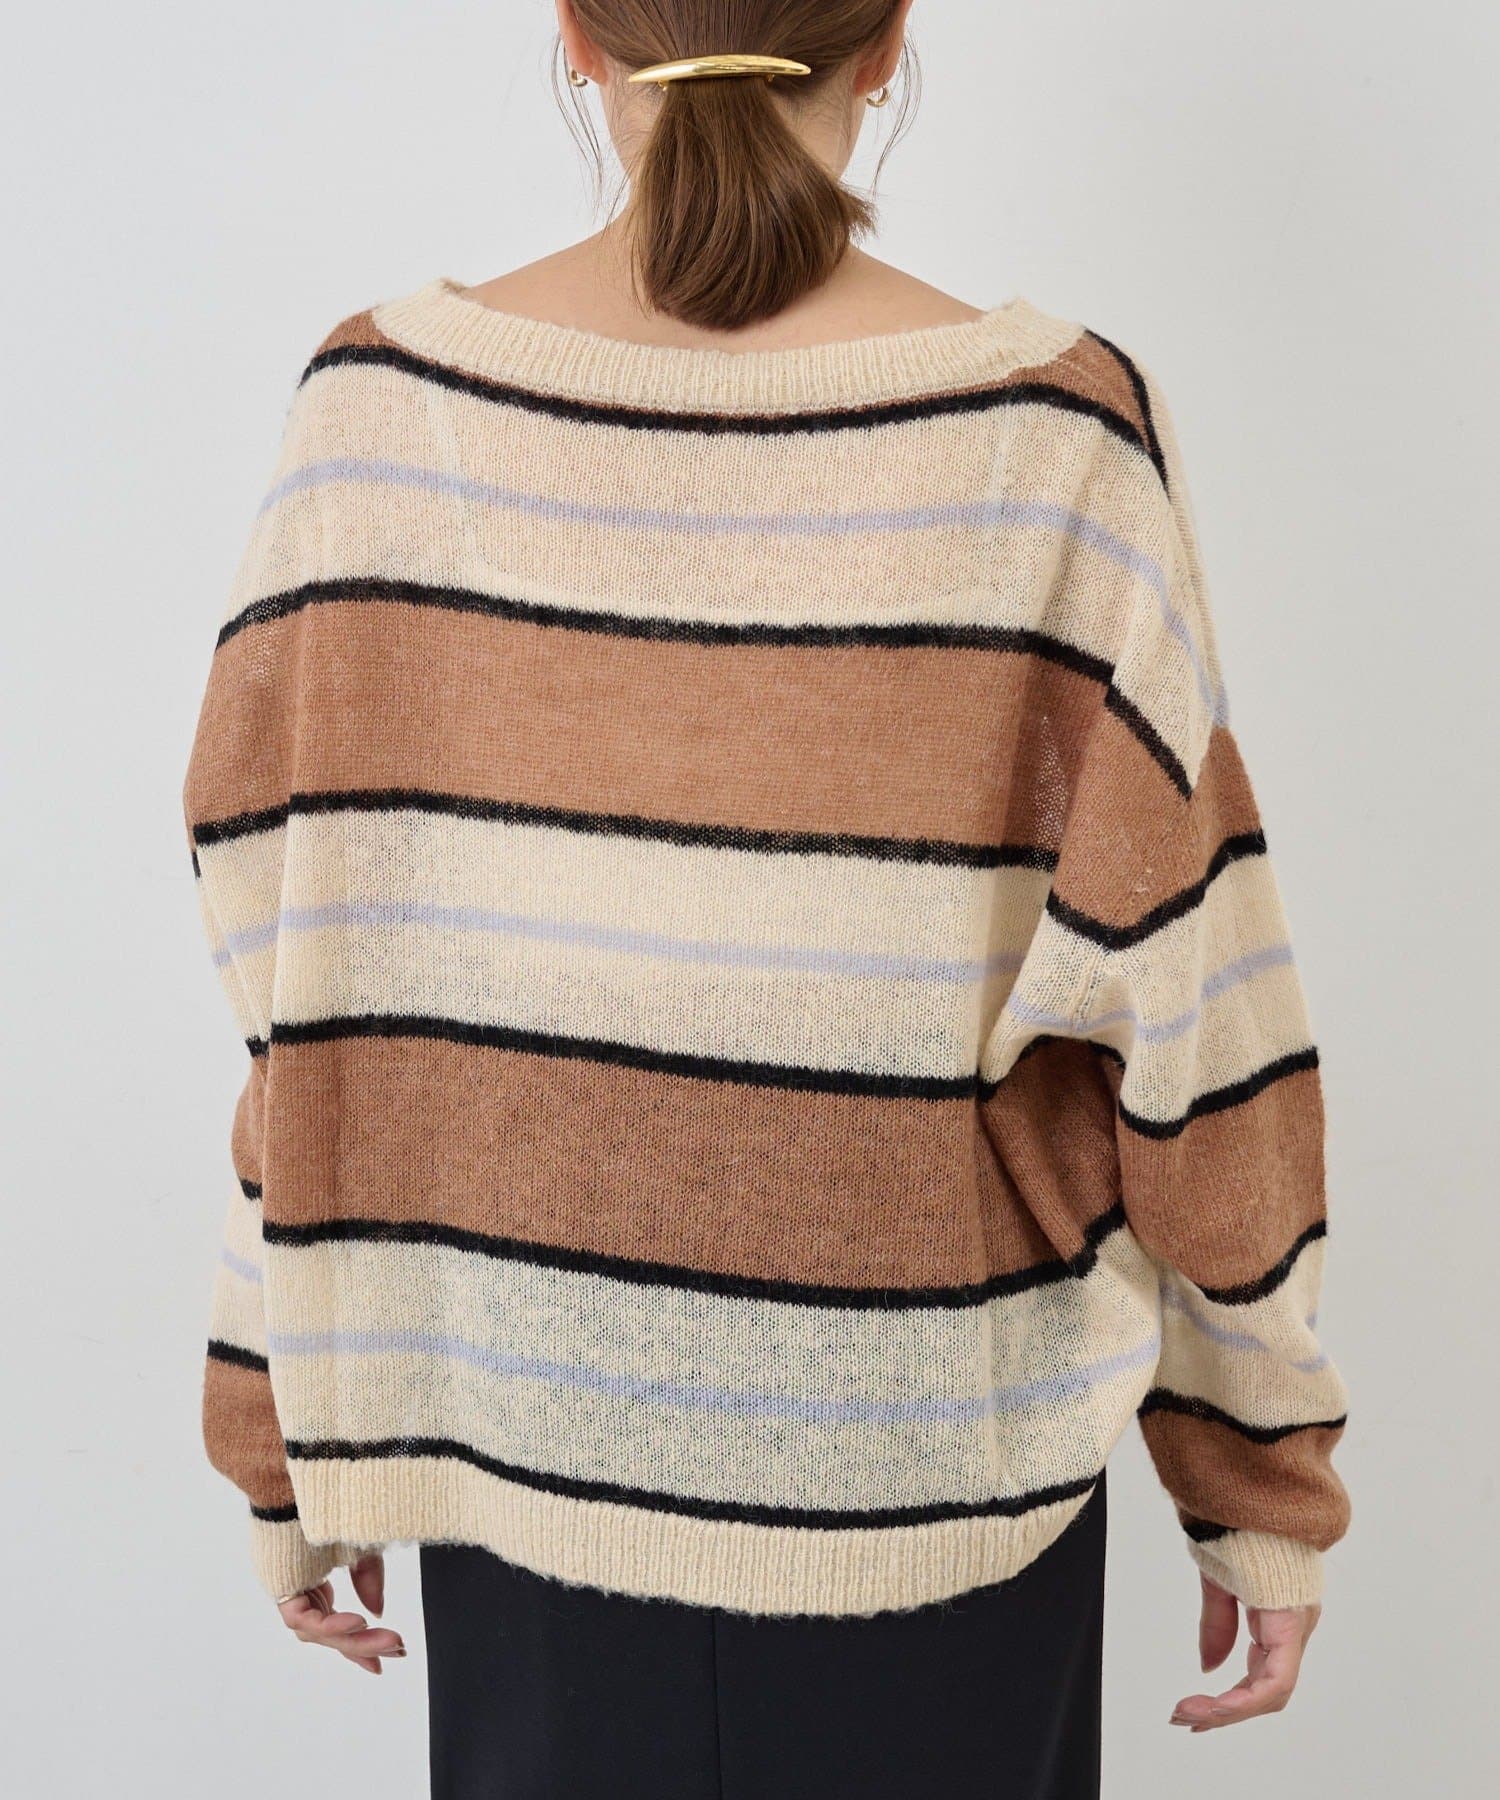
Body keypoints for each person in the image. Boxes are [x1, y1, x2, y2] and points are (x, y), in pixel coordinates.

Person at [181, 2, 1350, 1793]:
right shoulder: (1057, 437)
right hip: (934, 1487)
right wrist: (1257, 1473)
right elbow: (1192, 1012)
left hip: (525, 1451)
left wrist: (283, 1421)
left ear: (576, 37)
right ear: (886, 43)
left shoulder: (377, 422)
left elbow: (300, 987)